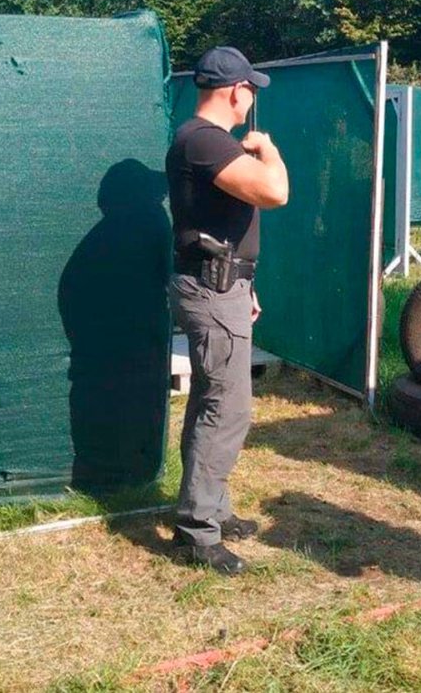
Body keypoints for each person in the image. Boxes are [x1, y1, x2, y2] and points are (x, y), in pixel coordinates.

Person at [166, 45, 289, 575]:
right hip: (212, 291)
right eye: (251, 89)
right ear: (236, 91)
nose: (253, 98)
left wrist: (244, 282)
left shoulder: (199, 140)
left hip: (222, 284)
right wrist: (269, 150)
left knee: (210, 402)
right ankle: (197, 532)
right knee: (227, 409)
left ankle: (211, 508)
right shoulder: (205, 140)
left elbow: (220, 223)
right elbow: (275, 192)